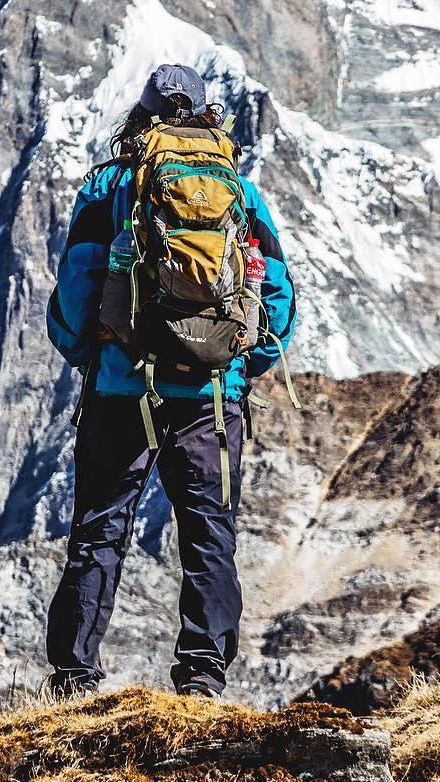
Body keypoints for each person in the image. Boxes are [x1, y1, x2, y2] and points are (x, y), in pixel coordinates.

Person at [45, 63, 297, 699]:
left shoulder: (110, 183)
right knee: (209, 531)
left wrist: (86, 353)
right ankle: (203, 676)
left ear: (143, 113)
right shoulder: (238, 187)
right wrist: (241, 361)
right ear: (206, 113)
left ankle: (76, 677)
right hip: (213, 395)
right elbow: (278, 292)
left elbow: (78, 285)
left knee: (100, 530)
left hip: (122, 387)